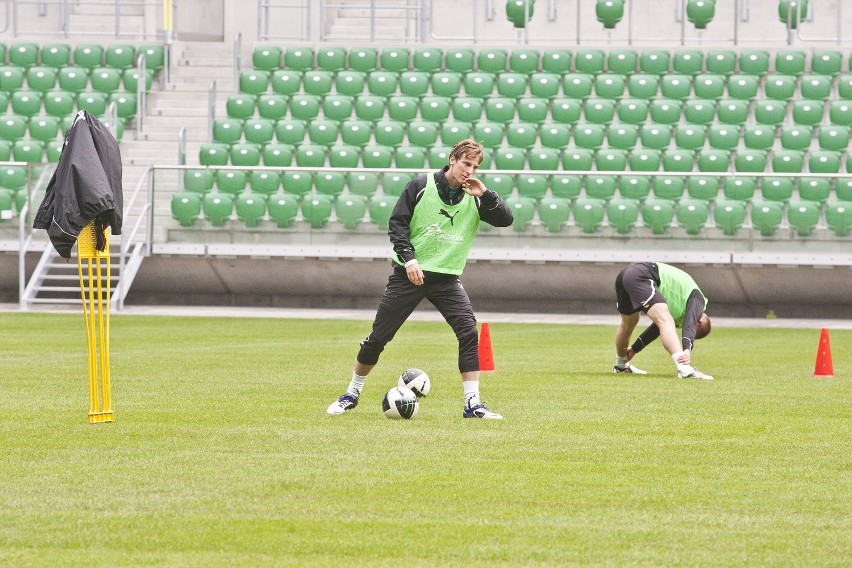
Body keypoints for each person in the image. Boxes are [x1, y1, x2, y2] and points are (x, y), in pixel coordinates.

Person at [327, 139, 514, 419]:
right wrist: (410, 259)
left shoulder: (476, 195)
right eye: (466, 164)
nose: (469, 171)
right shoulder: (420, 185)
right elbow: (397, 224)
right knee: (378, 338)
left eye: (474, 167)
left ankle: (472, 404)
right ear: (452, 159)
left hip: (447, 279)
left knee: (468, 333)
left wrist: (486, 194)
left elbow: (505, 220)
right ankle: (351, 394)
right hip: (408, 275)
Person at [613, 262, 713, 380]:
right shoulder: (699, 301)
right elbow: (690, 323)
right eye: (693, 331)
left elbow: (657, 329)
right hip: (642, 275)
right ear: (700, 322)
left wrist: (634, 349)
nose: (686, 329)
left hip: (626, 276)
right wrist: (687, 348)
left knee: (628, 325)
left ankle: (621, 365)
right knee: (666, 321)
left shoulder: (681, 309)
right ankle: (685, 369)